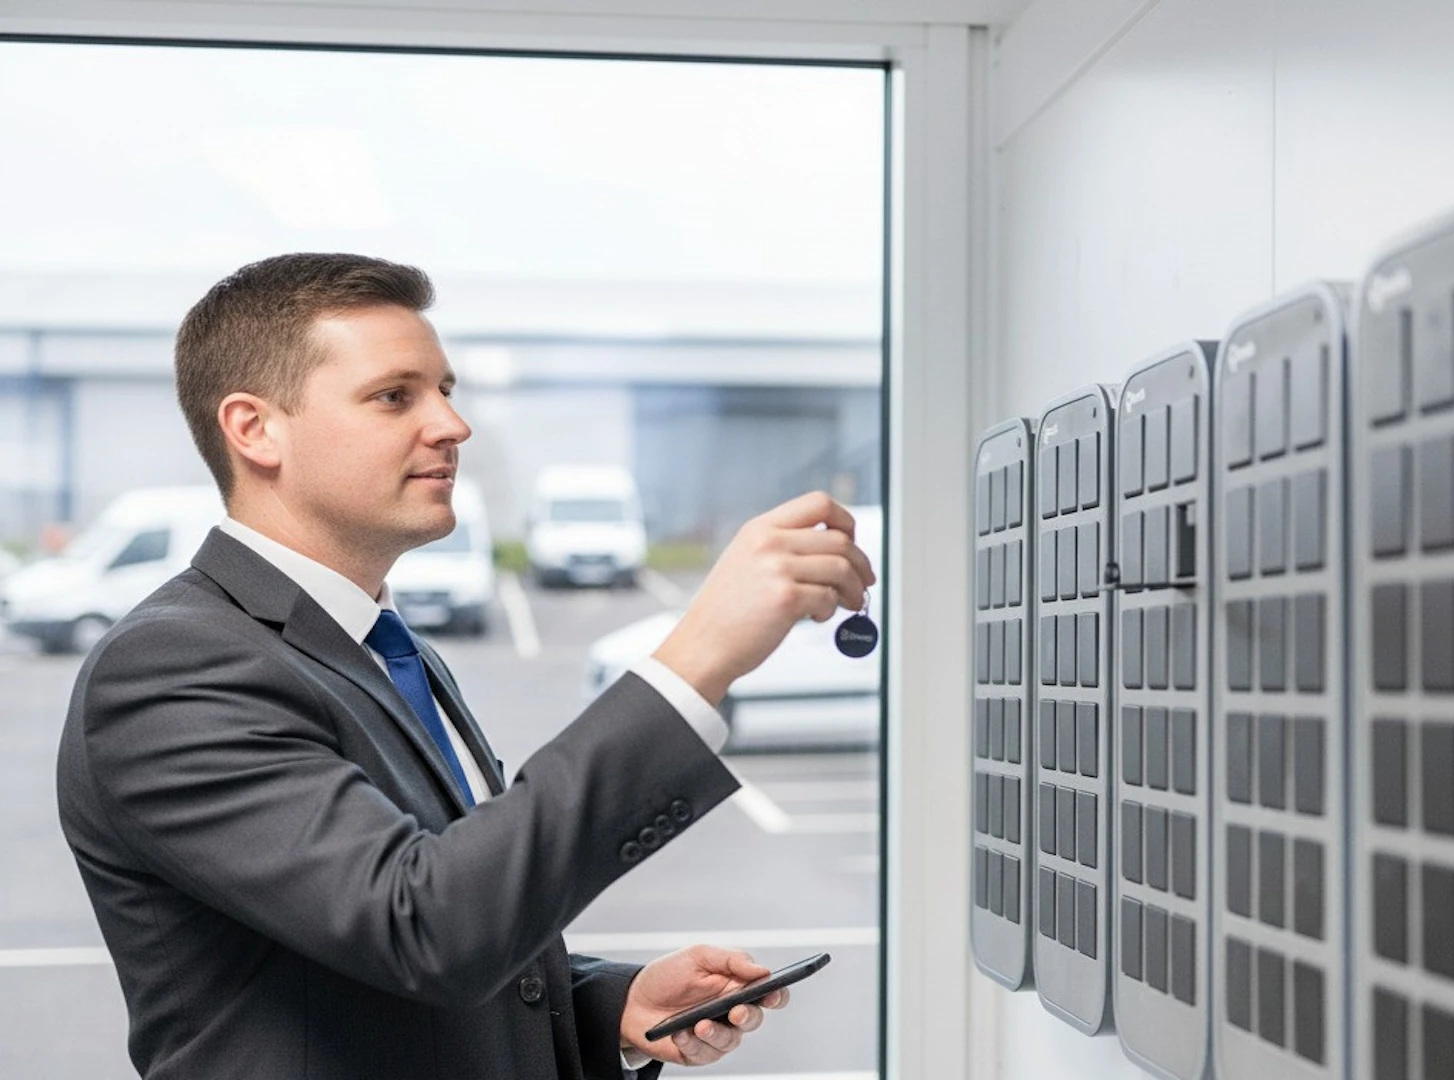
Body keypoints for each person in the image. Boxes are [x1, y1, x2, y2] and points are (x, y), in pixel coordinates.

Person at [55, 253, 876, 1080]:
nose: (452, 425)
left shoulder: (384, 649)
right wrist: (698, 653)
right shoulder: (170, 669)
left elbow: (401, 935)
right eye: (394, 396)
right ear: (254, 428)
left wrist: (606, 1005)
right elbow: (422, 926)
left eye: (445, 389)